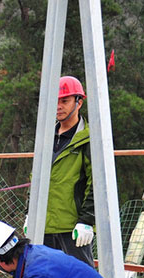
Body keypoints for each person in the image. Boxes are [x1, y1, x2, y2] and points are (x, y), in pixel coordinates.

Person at [26, 75, 95, 267]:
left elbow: (96, 183)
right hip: (44, 225)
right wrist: (30, 213)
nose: (58, 106)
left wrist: (87, 221)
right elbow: (36, 178)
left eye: (64, 101)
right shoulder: (46, 137)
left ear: (79, 101)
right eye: (55, 101)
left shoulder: (89, 139)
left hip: (73, 229)